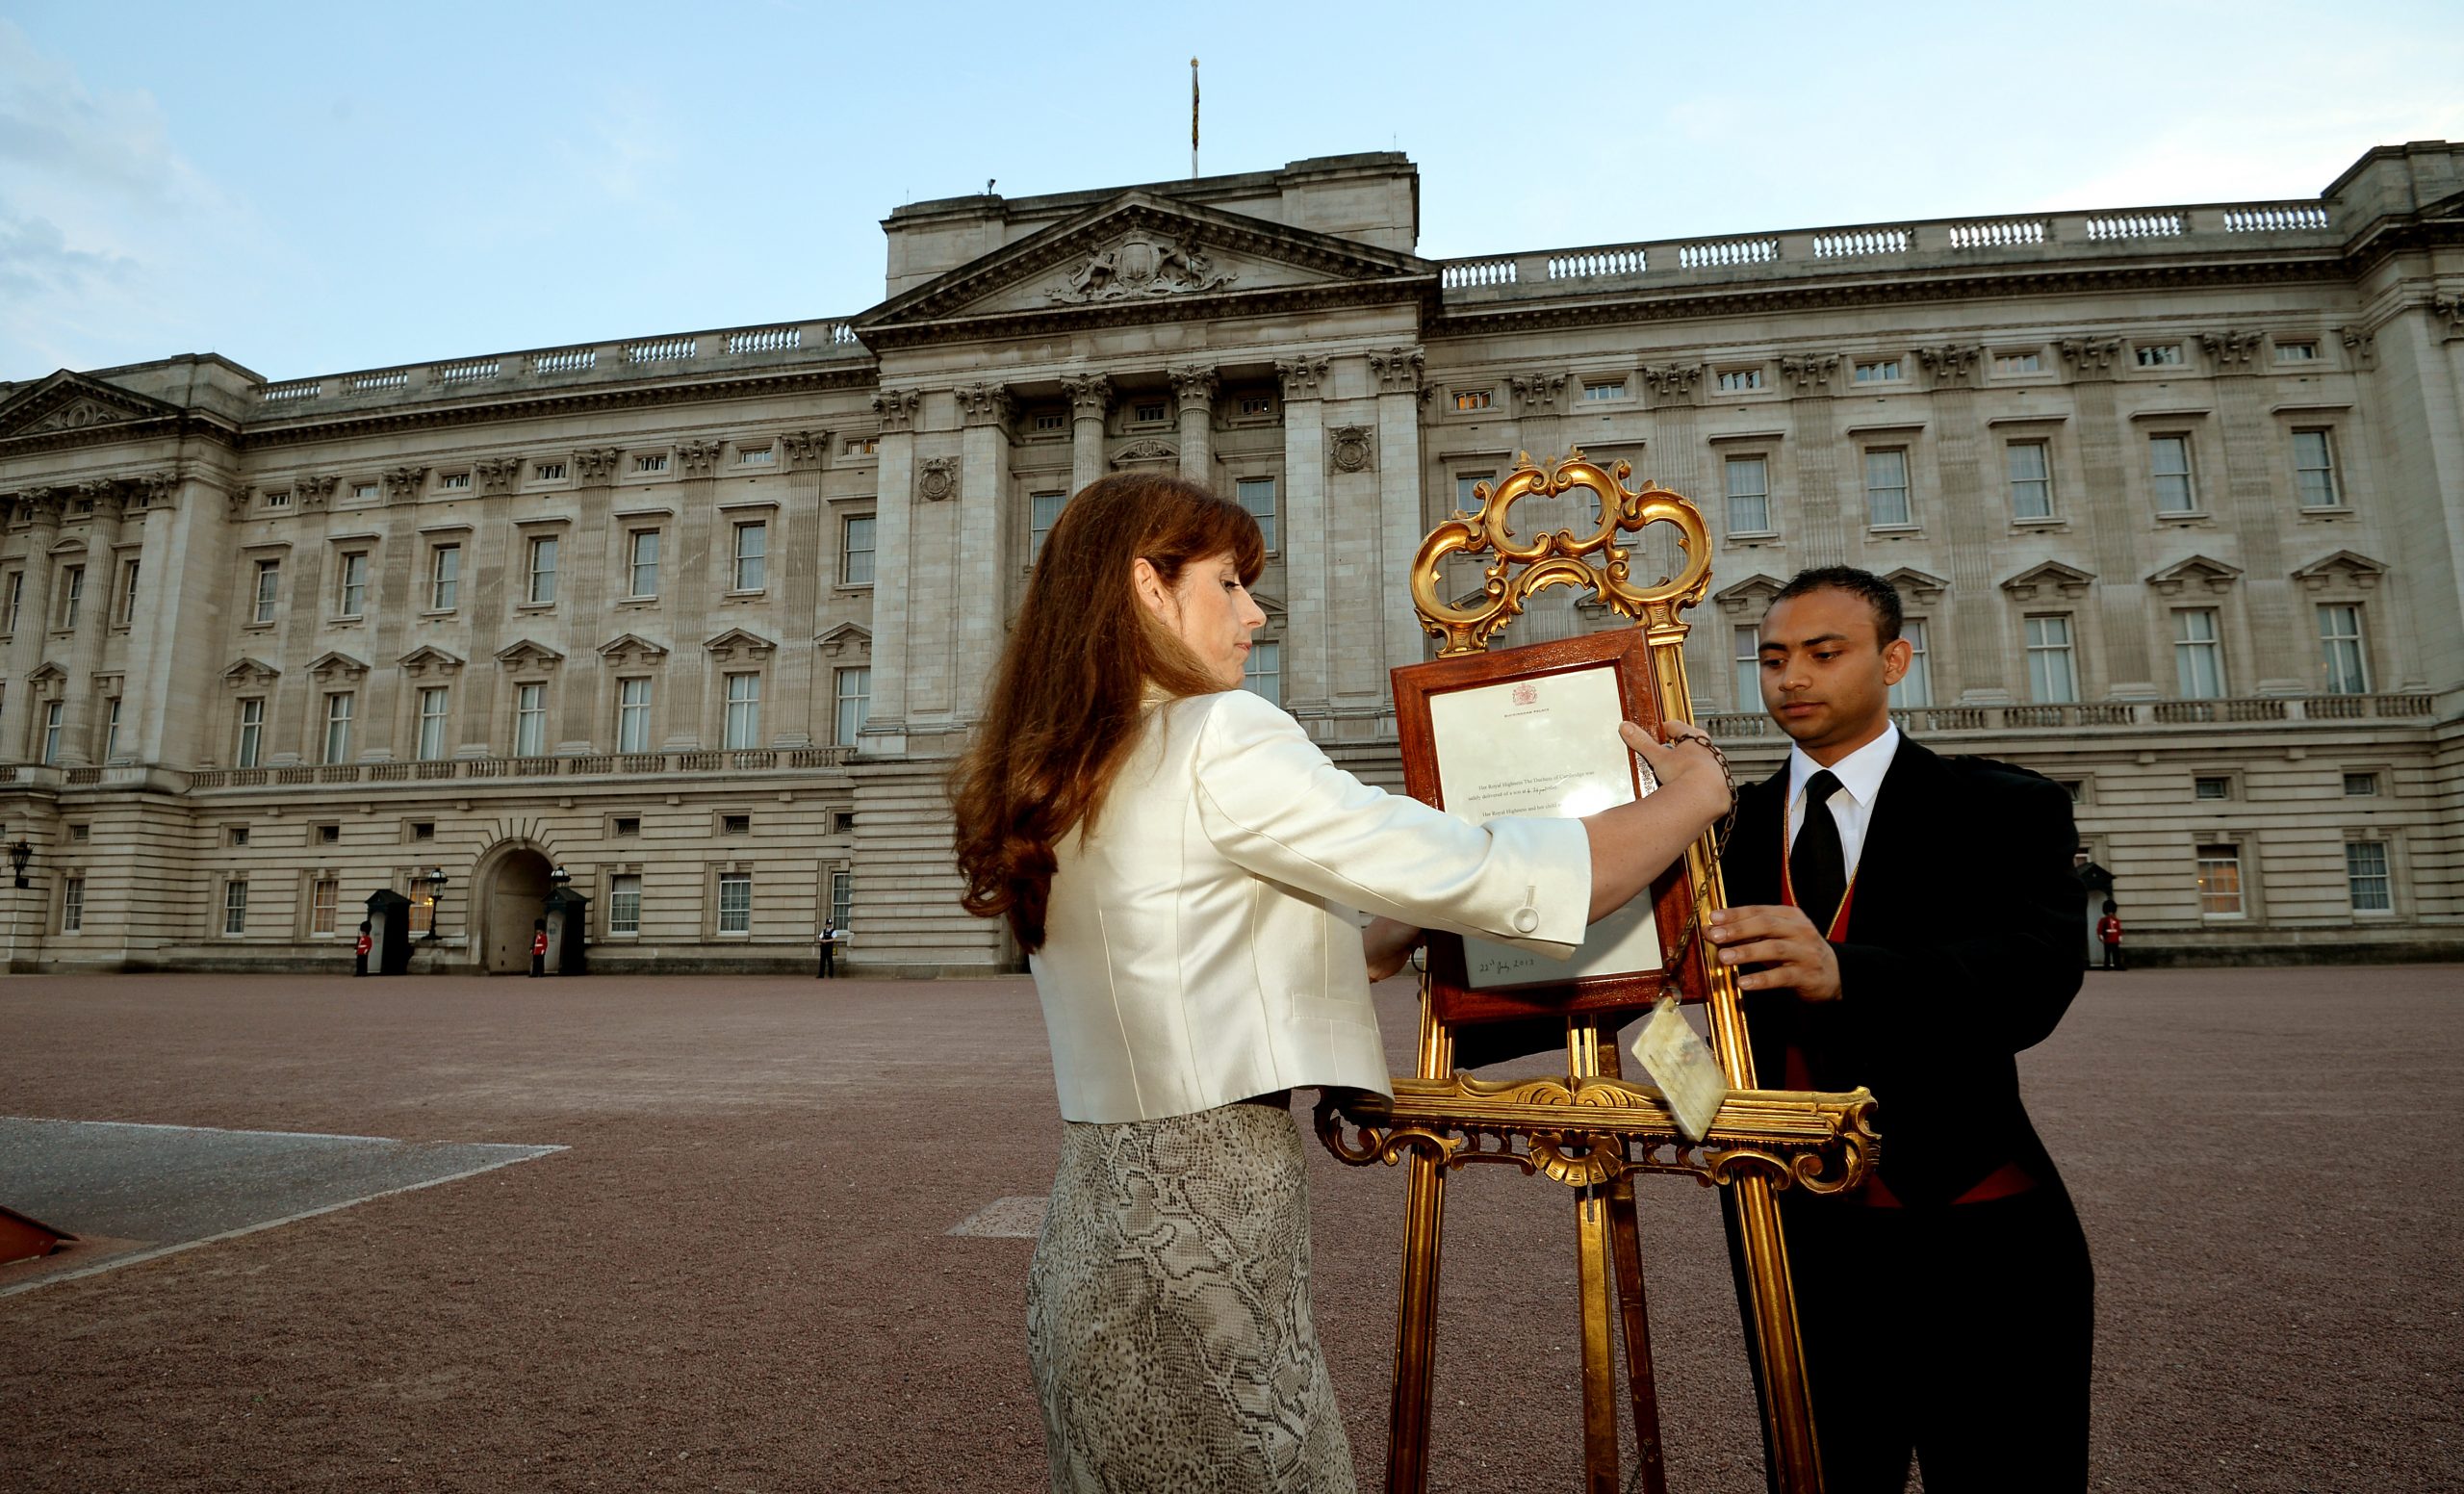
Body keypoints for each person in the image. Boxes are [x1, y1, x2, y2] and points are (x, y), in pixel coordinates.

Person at [950, 472, 1730, 1494]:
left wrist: (1397, 929)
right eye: (1227, 583)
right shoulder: (1219, 733)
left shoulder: (1074, 760)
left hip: (1099, 1222)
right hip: (1204, 1226)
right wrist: (1694, 797)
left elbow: (1220, 949)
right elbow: (1510, 873)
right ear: (1148, 585)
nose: (1253, 612)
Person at [1707, 566, 2091, 1493]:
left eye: (1823, 653)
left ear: (1895, 660)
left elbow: (2036, 978)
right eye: (1772, 658)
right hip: (1795, 1239)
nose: (1791, 676)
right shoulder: (1721, 826)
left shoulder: (2003, 806)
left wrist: (1850, 973)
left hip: (1977, 1228)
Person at [2097, 901, 2125, 970]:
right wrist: (2100, 935)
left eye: (2111, 911)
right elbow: (2100, 928)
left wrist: (2120, 936)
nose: (2110, 913)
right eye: (2109, 911)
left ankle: (2117, 965)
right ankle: (2107, 966)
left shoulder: (2116, 920)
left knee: (2116, 954)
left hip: (2115, 939)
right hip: (2107, 939)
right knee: (2107, 954)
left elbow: (2118, 929)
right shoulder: (2103, 920)